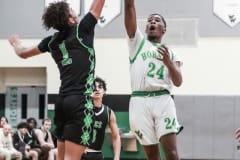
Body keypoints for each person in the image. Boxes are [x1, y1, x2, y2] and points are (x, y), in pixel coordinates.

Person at [8, 0, 106, 159]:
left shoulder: (51, 42)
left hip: (62, 102)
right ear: (70, 19)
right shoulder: (83, 29)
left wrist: (15, 43)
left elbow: (23, 53)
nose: (76, 12)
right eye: (73, 11)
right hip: (80, 102)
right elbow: (98, 4)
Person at [124, 1, 183, 160]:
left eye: (157, 20)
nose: (152, 22)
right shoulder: (137, 43)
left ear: (164, 29)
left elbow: (178, 81)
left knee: (171, 153)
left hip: (163, 100)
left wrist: (168, 63)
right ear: (145, 28)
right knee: (152, 155)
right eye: (150, 20)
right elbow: (129, 7)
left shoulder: (171, 53)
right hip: (139, 101)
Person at [81, 77, 121, 160]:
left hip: (97, 154)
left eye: (100, 87)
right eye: (94, 87)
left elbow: (116, 136)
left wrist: (116, 157)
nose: (97, 89)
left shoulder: (109, 112)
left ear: (104, 91)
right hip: (81, 154)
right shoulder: (82, 108)